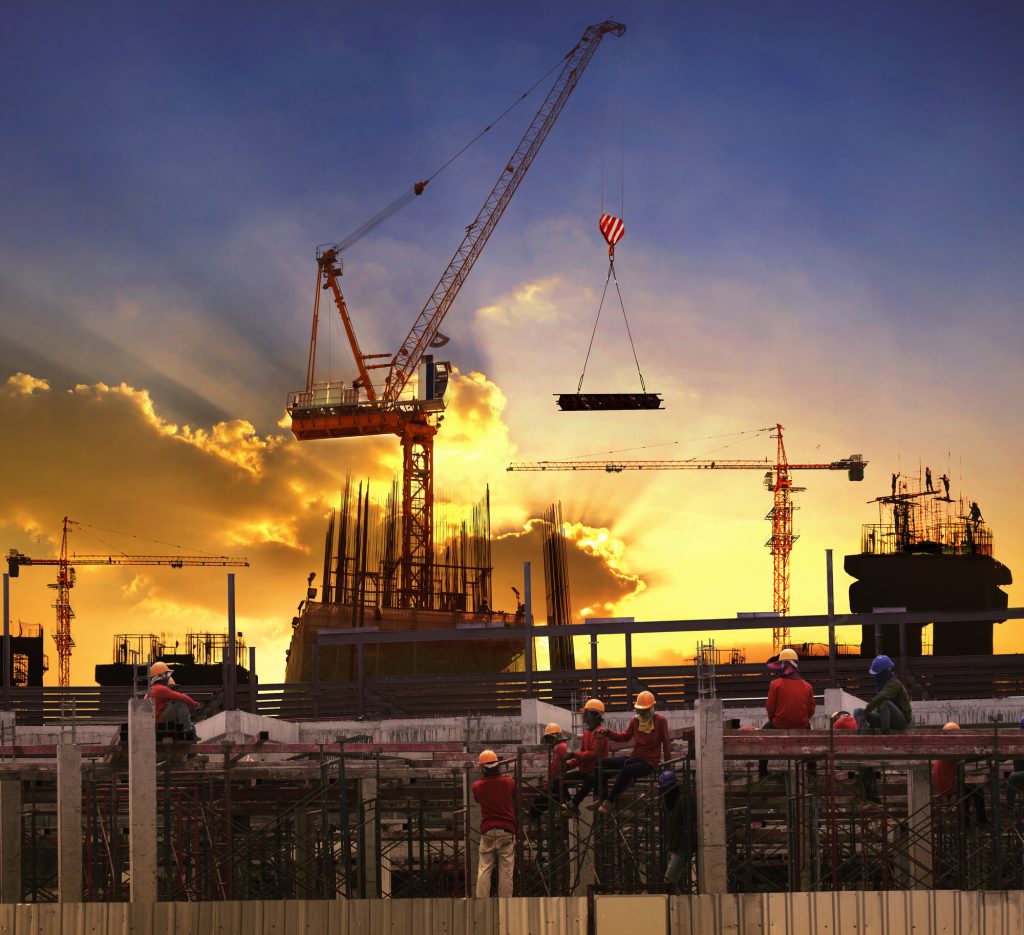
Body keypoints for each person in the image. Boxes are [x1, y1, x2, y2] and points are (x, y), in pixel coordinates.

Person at [596, 690, 671, 814]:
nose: (642, 713)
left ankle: (609, 801)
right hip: (634, 757)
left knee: (627, 770)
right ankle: (602, 797)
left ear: (652, 708)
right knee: (601, 763)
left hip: (648, 762)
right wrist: (608, 732)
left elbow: (666, 743)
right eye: (640, 710)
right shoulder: (635, 720)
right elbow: (624, 736)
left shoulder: (660, 721)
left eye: (645, 710)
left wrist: (668, 765)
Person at [758, 649, 815, 779]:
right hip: (802, 724)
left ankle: (762, 773)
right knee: (812, 739)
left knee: (762, 738)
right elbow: (811, 709)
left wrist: (775, 721)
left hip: (779, 724)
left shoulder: (775, 684)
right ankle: (812, 773)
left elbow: (770, 707)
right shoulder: (807, 686)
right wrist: (802, 720)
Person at [472, 749, 516, 897]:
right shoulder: (509, 782)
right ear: (498, 766)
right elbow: (514, 797)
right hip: (506, 831)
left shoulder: (477, 786)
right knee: (506, 871)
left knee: (484, 868)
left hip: (488, 831)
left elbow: (478, 800)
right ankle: (506, 905)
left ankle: (481, 903)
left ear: (482, 768)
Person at [933, 722, 987, 826]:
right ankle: (981, 821)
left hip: (943, 788)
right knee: (977, 790)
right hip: (950, 788)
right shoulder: (952, 749)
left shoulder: (942, 751)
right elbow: (968, 755)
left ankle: (965, 823)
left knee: (966, 791)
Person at [563, 699, 610, 813]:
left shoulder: (601, 732)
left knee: (590, 778)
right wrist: (569, 766)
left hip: (596, 770)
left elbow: (593, 754)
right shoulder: (586, 733)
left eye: (586, 713)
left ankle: (574, 803)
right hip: (585, 770)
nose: (584, 716)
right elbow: (582, 754)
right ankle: (570, 805)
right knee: (559, 780)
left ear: (594, 716)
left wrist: (574, 755)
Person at [854, 655, 912, 733]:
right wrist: (867, 717)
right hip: (886, 720)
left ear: (883, 672)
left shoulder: (894, 683)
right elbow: (879, 709)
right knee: (858, 711)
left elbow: (881, 697)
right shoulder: (882, 683)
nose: (875, 676)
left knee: (884, 701)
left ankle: (884, 733)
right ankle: (865, 733)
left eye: (877, 673)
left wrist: (867, 710)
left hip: (902, 722)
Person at [658, 770, 693, 892]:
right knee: (672, 883)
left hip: (680, 847)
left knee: (669, 881)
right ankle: (678, 906)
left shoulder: (682, 800)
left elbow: (690, 823)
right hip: (673, 847)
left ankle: (679, 906)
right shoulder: (670, 804)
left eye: (666, 789)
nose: (664, 793)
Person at [146, 662, 200, 739]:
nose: (168, 678)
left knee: (176, 703)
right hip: (158, 720)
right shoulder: (160, 689)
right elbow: (181, 697)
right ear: (161, 676)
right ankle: (188, 729)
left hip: (154, 720)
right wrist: (194, 704)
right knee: (180, 702)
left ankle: (188, 728)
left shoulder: (152, 689)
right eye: (167, 675)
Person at [529, 723, 569, 820]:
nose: (549, 743)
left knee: (536, 804)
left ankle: (533, 822)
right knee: (538, 802)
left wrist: (547, 787)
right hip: (558, 785)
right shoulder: (561, 747)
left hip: (557, 786)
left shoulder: (559, 747)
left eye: (550, 739)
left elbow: (555, 769)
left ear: (555, 737)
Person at [1004, 716, 1024, 812]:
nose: (1021, 730)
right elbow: (1005, 756)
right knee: (1014, 777)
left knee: (1013, 777)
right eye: (1021, 728)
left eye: (1022, 728)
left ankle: (1009, 806)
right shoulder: (1018, 742)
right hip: (1021, 778)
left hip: (1019, 776)